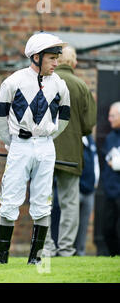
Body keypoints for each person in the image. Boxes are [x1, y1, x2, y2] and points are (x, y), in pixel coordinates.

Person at [0, 32, 70, 265]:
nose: (57, 62)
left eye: (58, 57)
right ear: (37, 57)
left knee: (43, 201)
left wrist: (47, 136)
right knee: (10, 199)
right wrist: (12, 142)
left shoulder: (59, 84)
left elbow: (64, 118)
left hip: (46, 147)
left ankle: (35, 259)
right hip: (20, 145)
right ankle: (1, 258)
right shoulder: (13, 81)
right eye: (52, 58)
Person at [43, 46, 97, 257]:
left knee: (43, 200)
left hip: (43, 151)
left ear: (56, 61)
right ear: (74, 63)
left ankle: (46, 247)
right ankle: (66, 249)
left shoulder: (43, 83)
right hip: (71, 154)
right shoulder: (81, 86)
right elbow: (88, 125)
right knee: (69, 202)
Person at [100, 101, 120, 256]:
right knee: (107, 228)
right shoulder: (110, 138)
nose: (109, 119)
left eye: (112, 116)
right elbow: (107, 161)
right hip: (110, 192)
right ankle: (114, 256)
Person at [74, 134, 99, 256]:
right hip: (77, 188)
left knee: (84, 225)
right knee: (72, 223)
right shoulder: (76, 139)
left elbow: (95, 162)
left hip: (90, 190)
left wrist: (95, 182)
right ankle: (69, 251)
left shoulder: (90, 140)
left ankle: (81, 252)